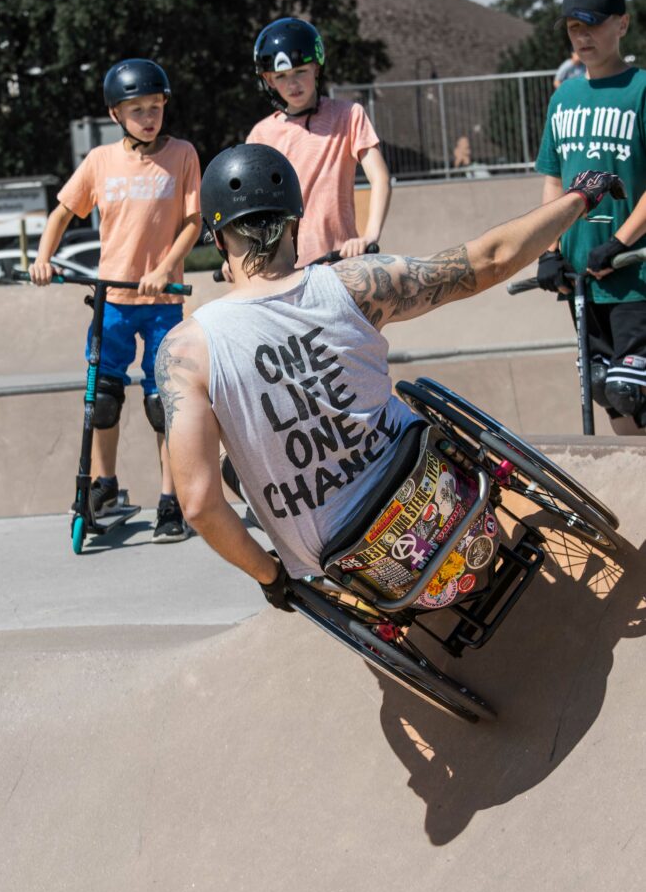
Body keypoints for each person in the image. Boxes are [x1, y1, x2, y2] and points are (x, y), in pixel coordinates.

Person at [154, 142, 622, 609]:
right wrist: (578, 198)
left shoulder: (186, 351)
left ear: (217, 240)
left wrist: (271, 575)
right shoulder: (354, 285)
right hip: (452, 506)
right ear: (296, 221)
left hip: (369, 573)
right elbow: (490, 259)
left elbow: (197, 505)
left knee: (224, 458)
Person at [30, 58, 202, 540]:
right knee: (103, 400)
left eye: (155, 106)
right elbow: (63, 212)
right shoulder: (101, 162)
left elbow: (193, 222)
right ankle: (105, 485)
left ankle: (172, 500)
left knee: (160, 403)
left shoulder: (183, 154)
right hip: (113, 302)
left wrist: (165, 268)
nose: (149, 117)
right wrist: (44, 258)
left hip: (162, 302)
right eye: (137, 110)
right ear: (115, 115)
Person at [536, 0, 646, 433]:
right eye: (573, 28)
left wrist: (619, 242)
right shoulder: (563, 99)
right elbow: (554, 181)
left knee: (631, 388)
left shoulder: (640, 89)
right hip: (583, 279)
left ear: (622, 24)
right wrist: (549, 250)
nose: (582, 36)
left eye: (592, 25)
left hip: (634, 276)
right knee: (607, 393)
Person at [245, 17, 391, 267]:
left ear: (317, 68)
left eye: (300, 71)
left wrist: (370, 234)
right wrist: (239, 256)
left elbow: (380, 178)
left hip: (340, 262)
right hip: (285, 269)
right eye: (281, 76)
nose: (292, 84)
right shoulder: (261, 135)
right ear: (268, 80)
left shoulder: (348, 116)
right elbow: (249, 207)